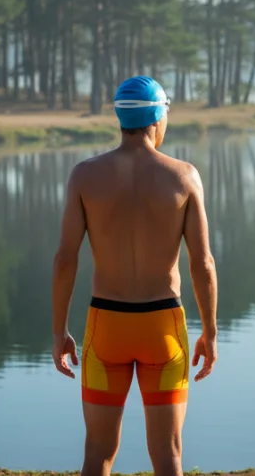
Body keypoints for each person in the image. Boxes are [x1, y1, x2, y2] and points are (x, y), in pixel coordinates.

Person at [52, 75, 219, 476]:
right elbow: (202, 263)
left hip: (106, 325)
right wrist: (210, 333)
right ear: (158, 118)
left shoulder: (85, 175)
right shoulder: (184, 176)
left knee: (98, 454)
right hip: (163, 327)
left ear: (120, 118)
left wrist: (59, 331)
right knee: (168, 456)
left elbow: (65, 260)